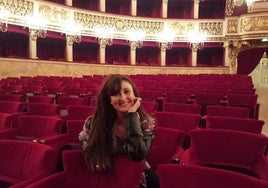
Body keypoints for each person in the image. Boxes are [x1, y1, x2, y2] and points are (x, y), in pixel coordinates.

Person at [78, 74, 159, 188]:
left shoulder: (147, 122)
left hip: (137, 174)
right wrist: (94, 156)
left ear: (135, 95)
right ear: (109, 100)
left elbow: (138, 155)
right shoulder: (93, 122)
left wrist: (132, 116)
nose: (122, 97)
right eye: (116, 94)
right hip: (108, 173)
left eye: (126, 92)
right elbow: (84, 141)